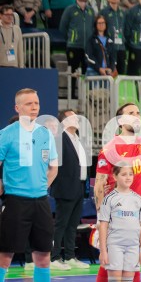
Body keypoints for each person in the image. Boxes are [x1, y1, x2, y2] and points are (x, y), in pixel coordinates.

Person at [0, 89, 66, 282]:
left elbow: (53, 168)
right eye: (28, 104)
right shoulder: (6, 135)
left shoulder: (45, 134)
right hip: (15, 202)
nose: (34, 107)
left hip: (40, 203)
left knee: (43, 259)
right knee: (4, 259)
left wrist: (39, 188)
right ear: (17, 108)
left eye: (36, 103)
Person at [97, 165, 141, 282]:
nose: (128, 177)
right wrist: (104, 250)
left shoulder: (138, 199)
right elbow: (103, 225)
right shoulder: (109, 199)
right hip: (115, 246)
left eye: (130, 174)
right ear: (115, 176)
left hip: (133, 247)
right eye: (124, 174)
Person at [49, 110, 90, 271]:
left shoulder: (78, 139)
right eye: (72, 117)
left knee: (72, 224)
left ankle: (70, 256)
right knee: (61, 224)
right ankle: (54, 257)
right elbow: (54, 164)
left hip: (78, 187)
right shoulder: (59, 138)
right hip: (65, 188)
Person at [60, 0, 96, 75]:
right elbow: (63, 27)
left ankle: (84, 89)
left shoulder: (91, 10)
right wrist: (71, 38)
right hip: (74, 46)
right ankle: (72, 89)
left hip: (88, 47)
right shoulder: (70, 10)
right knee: (73, 72)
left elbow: (93, 27)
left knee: (86, 72)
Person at [100, 0, 127, 74]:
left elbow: (127, 28)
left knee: (121, 72)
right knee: (110, 72)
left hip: (121, 48)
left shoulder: (123, 13)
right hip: (109, 47)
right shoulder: (104, 12)